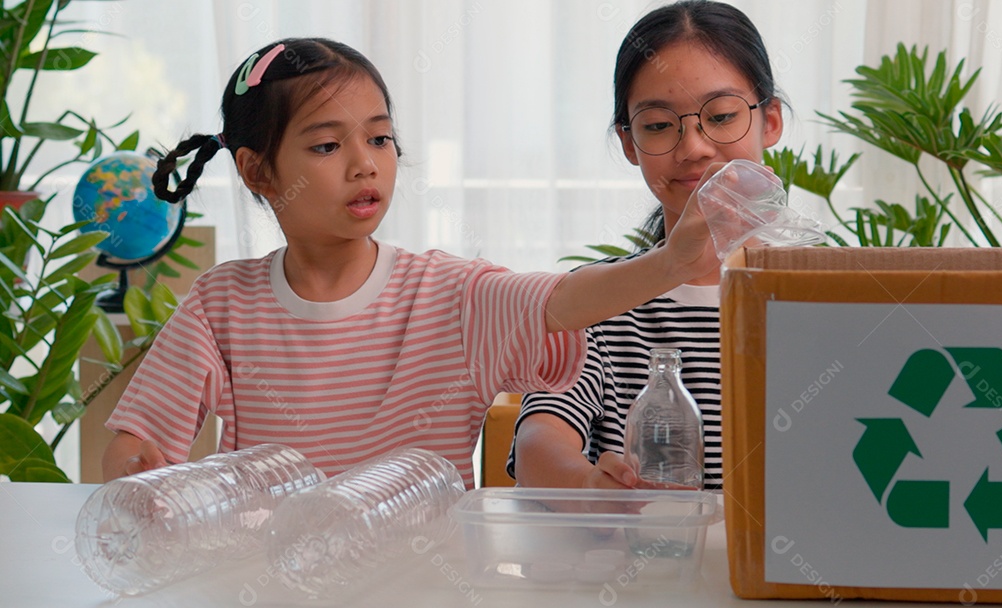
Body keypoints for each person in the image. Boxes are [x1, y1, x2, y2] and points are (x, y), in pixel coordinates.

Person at [101, 37, 720, 486]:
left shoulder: (449, 293)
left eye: (379, 138)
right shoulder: (220, 304)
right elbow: (137, 444)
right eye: (327, 145)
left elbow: (559, 301)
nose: (365, 164)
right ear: (257, 171)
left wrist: (670, 263)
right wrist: (137, 471)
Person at [509, 0, 784, 491]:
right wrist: (592, 489)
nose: (693, 147)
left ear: (772, 121)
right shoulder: (598, 301)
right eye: (658, 125)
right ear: (628, 143)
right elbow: (537, 445)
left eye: (721, 116)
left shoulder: (822, 296)